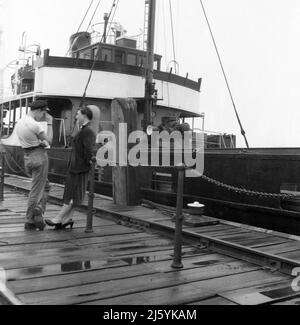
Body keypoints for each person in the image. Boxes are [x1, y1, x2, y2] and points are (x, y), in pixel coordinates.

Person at [45, 106, 96, 230]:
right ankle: (67, 219)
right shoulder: (82, 129)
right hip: (75, 167)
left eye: (78, 114)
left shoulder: (87, 131)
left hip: (79, 169)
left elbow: (88, 150)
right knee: (72, 195)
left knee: (73, 195)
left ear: (84, 115)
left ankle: (58, 218)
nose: (76, 116)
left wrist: (87, 164)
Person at [15, 100, 53, 231]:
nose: (42, 116)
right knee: (36, 191)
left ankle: (39, 209)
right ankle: (30, 220)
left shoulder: (20, 122)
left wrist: (38, 142)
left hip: (27, 157)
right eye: (43, 113)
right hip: (39, 157)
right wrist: (50, 123)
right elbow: (49, 140)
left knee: (45, 186)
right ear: (38, 110)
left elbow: (29, 140)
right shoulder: (35, 125)